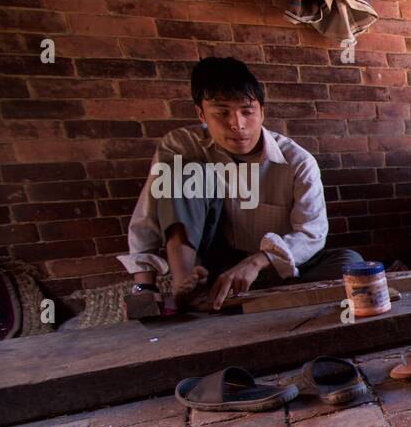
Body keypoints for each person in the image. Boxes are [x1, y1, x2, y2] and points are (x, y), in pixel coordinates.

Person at [118, 56, 362, 311]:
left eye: (247, 111)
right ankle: (187, 287)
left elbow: (312, 233)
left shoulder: (297, 161)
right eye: (222, 113)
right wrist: (144, 285)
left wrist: (258, 261)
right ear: (201, 114)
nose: (237, 124)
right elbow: (148, 217)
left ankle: (239, 298)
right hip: (218, 265)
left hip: (276, 267)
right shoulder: (181, 146)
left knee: (350, 263)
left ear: (262, 111)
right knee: (183, 172)